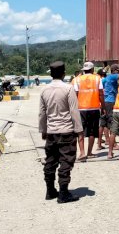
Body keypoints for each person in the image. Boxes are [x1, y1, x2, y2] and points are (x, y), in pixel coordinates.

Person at [38, 61, 82, 203]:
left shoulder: (44, 90)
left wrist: (43, 130)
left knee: (50, 161)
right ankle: (63, 193)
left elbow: (42, 113)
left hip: (51, 132)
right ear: (64, 73)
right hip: (66, 131)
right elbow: (74, 111)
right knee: (66, 161)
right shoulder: (68, 89)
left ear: (50, 74)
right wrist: (79, 130)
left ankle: (50, 191)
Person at [73, 62, 105, 161]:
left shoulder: (77, 79)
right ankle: (89, 152)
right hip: (94, 108)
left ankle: (82, 153)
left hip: (81, 109)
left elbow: (75, 94)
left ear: (83, 70)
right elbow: (100, 94)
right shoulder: (97, 78)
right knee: (92, 131)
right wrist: (103, 107)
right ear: (92, 69)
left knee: (80, 131)